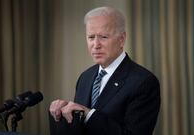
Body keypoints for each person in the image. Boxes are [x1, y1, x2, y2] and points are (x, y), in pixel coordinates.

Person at [49, 6, 160, 135]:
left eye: (103, 37)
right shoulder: (85, 77)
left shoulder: (143, 82)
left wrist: (88, 114)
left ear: (121, 39)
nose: (96, 45)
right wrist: (64, 113)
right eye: (91, 37)